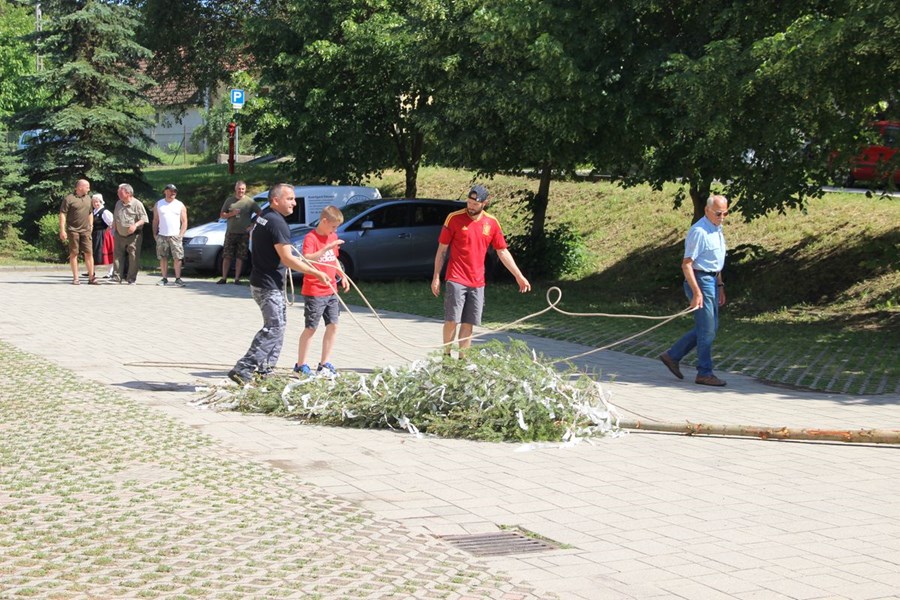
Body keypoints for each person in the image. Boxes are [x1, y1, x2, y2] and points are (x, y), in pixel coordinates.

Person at [229, 183, 328, 385]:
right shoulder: (277, 223)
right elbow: (288, 258)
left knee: (279, 327)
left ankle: (264, 371)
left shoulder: (264, 216)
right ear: (276, 200)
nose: (294, 203)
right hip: (267, 284)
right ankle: (244, 368)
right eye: (289, 199)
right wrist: (316, 272)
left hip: (264, 281)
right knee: (274, 327)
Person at [431, 185, 531, 357]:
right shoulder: (454, 218)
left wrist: (518, 275)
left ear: (485, 203)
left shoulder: (491, 222)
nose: (470, 207)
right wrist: (436, 277)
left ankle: (462, 361)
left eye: (475, 204)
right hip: (456, 277)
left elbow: (502, 251)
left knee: (468, 323)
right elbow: (442, 249)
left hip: (477, 281)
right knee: (452, 320)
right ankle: (446, 357)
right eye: (469, 202)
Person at [659, 194, 730, 387]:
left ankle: (673, 355)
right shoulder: (699, 231)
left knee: (710, 328)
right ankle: (704, 373)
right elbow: (687, 264)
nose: (722, 217)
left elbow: (716, 262)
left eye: (725, 213)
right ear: (707, 210)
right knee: (707, 330)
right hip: (700, 280)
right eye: (718, 213)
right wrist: (696, 292)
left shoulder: (717, 228)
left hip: (712, 280)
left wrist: (720, 285)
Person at [293, 205, 350, 376]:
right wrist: (326, 247)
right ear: (324, 221)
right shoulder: (311, 238)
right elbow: (307, 259)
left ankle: (324, 364)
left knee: (333, 325)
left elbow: (334, 259)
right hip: (315, 290)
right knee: (311, 327)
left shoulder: (333, 237)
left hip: (331, 289)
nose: (335, 230)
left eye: (337, 227)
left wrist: (342, 275)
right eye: (333, 226)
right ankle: (301, 365)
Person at [218, 180, 262, 285]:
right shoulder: (229, 200)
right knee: (227, 256)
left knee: (240, 257)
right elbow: (222, 215)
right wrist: (231, 214)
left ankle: (237, 279)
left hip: (243, 234)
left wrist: (253, 225)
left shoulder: (250, 202)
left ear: (245, 189)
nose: (240, 191)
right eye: (239, 189)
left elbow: (261, 213)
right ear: (235, 189)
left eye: (242, 189)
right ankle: (224, 278)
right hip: (230, 232)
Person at [59, 179, 97, 285]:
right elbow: (62, 214)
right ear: (80, 187)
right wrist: (62, 230)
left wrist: (91, 225)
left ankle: (91, 278)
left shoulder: (88, 198)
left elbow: (90, 213)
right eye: (87, 187)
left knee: (89, 253)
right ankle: (76, 278)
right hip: (73, 230)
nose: (89, 189)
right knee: (74, 253)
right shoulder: (69, 199)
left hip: (86, 230)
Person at [112, 183, 149, 285]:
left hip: (133, 236)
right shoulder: (118, 203)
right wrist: (113, 226)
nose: (118, 194)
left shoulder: (137, 204)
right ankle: (116, 278)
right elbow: (116, 217)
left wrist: (135, 225)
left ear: (128, 193)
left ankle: (131, 279)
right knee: (117, 256)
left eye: (120, 193)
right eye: (118, 193)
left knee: (133, 257)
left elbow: (144, 219)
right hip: (119, 235)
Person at [152, 184, 188, 287]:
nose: (173, 193)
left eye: (175, 191)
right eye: (171, 191)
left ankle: (178, 279)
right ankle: (164, 278)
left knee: (178, 257)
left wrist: (181, 235)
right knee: (163, 257)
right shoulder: (159, 204)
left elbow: (184, 221)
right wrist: (155, 234)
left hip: (175, 235)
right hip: (162, 235)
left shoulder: (180, 205)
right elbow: (155, 220)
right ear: (165, 191)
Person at [90, 193, 115, 278]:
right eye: (94, 202)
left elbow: (112, 222)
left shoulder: (105, 212)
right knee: (94, 252)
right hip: (95, 234)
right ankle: (91, 271)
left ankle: (110, 272)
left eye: (97, 202)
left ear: (101, 202)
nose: (95, 204)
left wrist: (108, 230)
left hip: (104, 235)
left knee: (107, 252)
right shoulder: (94, 211)